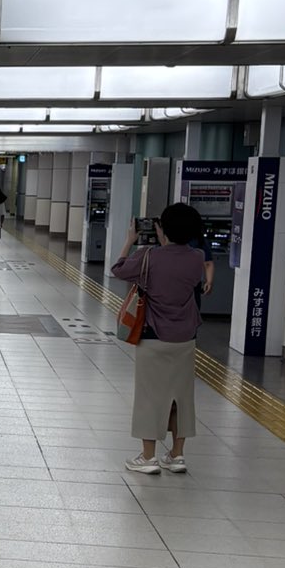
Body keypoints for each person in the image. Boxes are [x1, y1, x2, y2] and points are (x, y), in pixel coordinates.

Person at [110, 201, 214, 475]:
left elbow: (118, 269)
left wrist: (130, 240)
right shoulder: (196, 257)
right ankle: (177, 456)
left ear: (161, 228)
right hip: (186, 338)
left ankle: (148, 458)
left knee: (150, 397)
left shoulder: (148, 255)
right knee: (181, 398)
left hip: (153, 336)